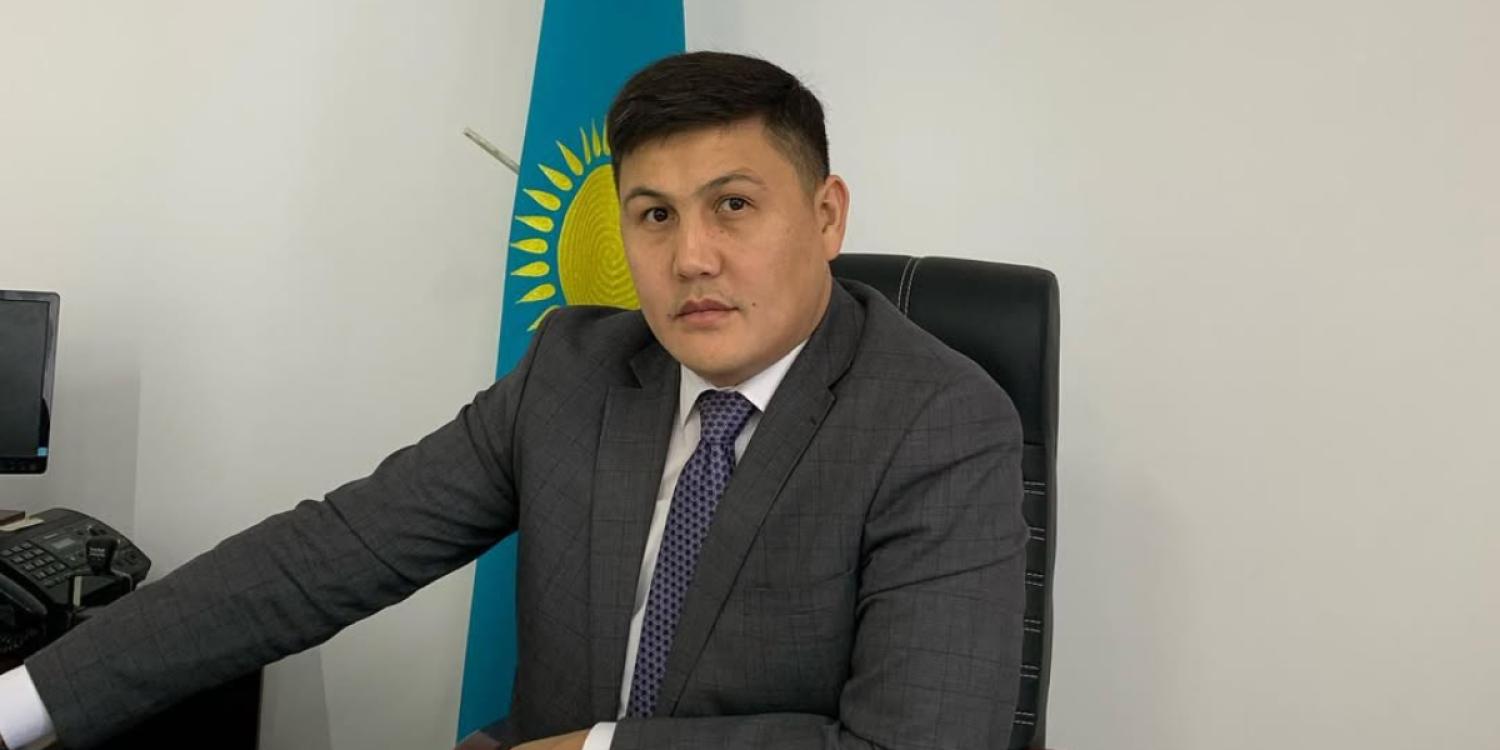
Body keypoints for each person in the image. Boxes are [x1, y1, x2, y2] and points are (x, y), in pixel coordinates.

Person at [0, 52, 1027, 750]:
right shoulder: (577, 369)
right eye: (654, 215)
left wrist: (595, 749)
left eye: (733, 205)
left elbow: (920, 741)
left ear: (827, 215)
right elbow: (329, 554)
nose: (691, 257)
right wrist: (21, 703)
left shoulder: (939, 422)